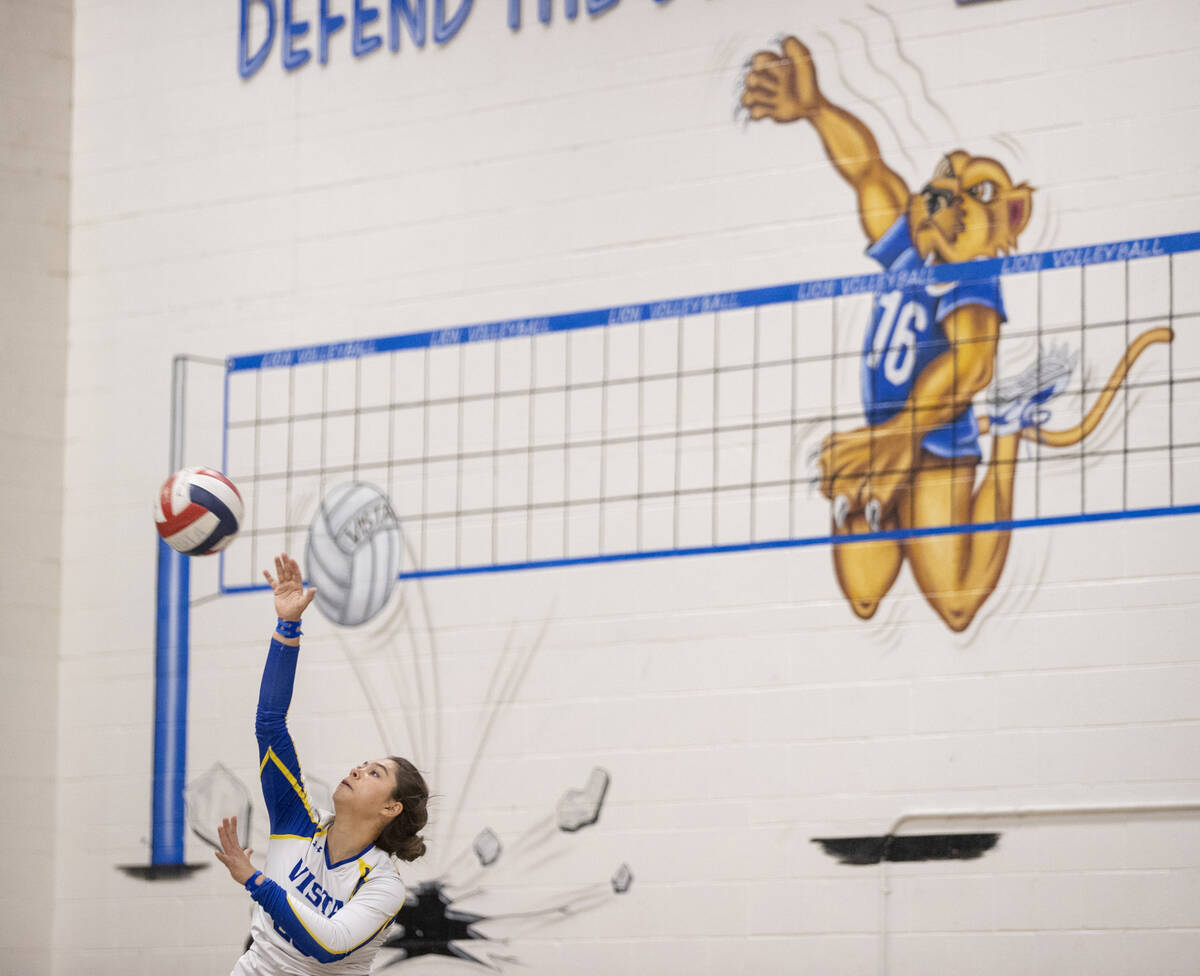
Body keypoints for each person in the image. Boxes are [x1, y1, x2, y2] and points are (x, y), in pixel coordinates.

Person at [215, 553, 430, 974]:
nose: (356, 770)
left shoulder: (382, 885)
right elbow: (269, 724)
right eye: (362, 763)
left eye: (374, 773)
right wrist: (288, 625)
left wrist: (254, 879)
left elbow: (329, 946)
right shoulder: (298, 822)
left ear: (391, 807)